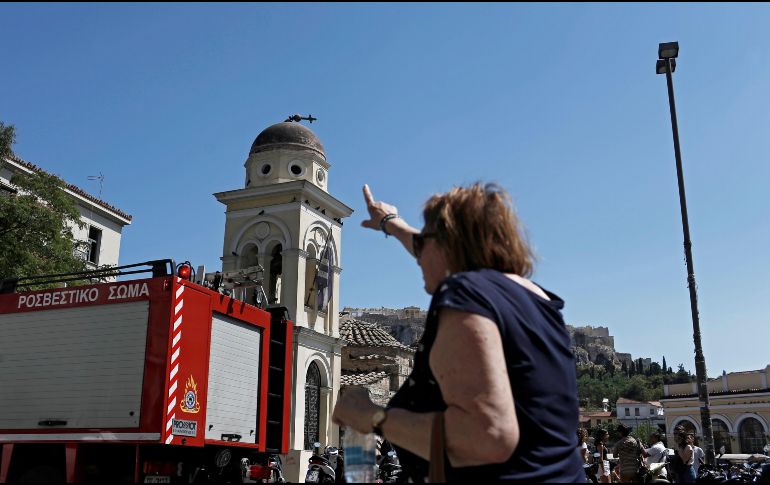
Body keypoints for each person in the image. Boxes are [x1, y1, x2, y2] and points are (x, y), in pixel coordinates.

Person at [332, 183, 585, 482]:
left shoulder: (465, 293)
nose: (418, 253)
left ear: (448, 244)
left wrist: (373, 416)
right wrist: (390, 222)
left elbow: (487, 437)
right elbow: (428, 246)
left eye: (424, 240)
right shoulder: (537, 299)